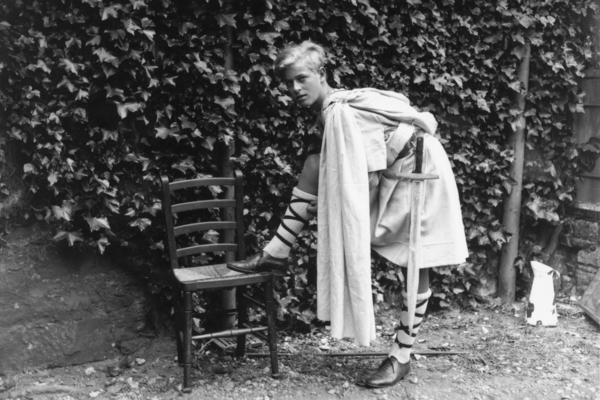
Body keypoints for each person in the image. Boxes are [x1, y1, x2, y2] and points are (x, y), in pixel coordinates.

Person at [228, 41, 469, 389]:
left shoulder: (339, 111)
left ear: (321, 74)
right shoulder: (332, 110)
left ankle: (401, 356)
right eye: (288, 82)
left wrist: (332, 207)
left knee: (417, 263)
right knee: (314, 164)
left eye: (302, 78)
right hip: (395, 170)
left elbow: (365, 176)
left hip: (419, 169)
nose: (295, 89)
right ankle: (276, 252)